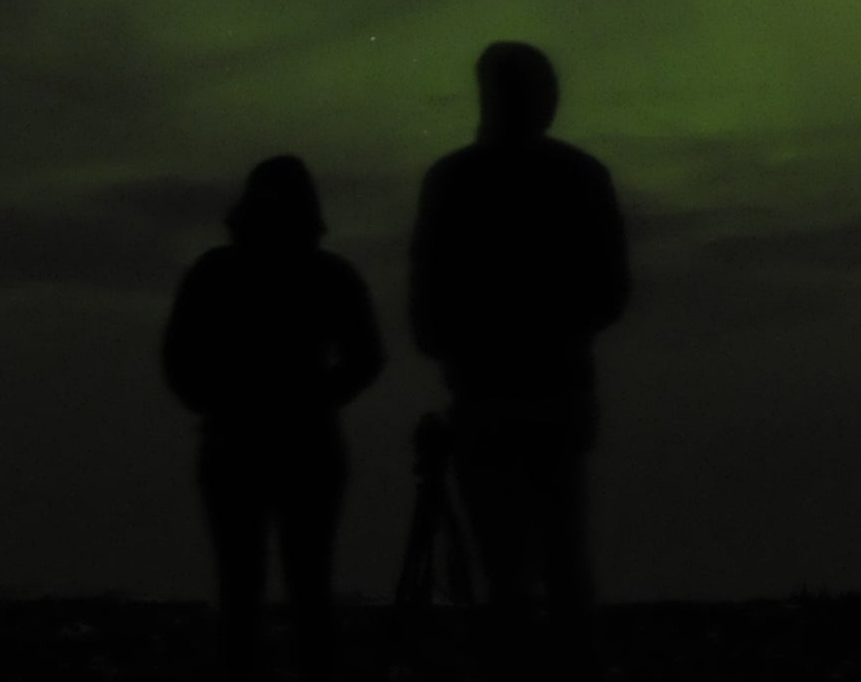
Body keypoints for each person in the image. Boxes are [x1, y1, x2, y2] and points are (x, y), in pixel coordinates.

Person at [407, 42, 630, 664]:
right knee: (563, 567)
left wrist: (467, 344)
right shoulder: (580, 176)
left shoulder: (452, 180)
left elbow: (425, 306)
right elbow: (612, 293)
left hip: (486, 396)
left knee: (506, 575)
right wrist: (555, 331)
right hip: (555, 393)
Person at [161, 153, 388, 680]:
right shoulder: (330, 275)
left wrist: (216, 402)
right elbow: (367, 358)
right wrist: (319, 397)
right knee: (307, 588)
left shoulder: (216, 271)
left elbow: (178, 357)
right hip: (301, 444)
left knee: (244, 589)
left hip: (242, 443)